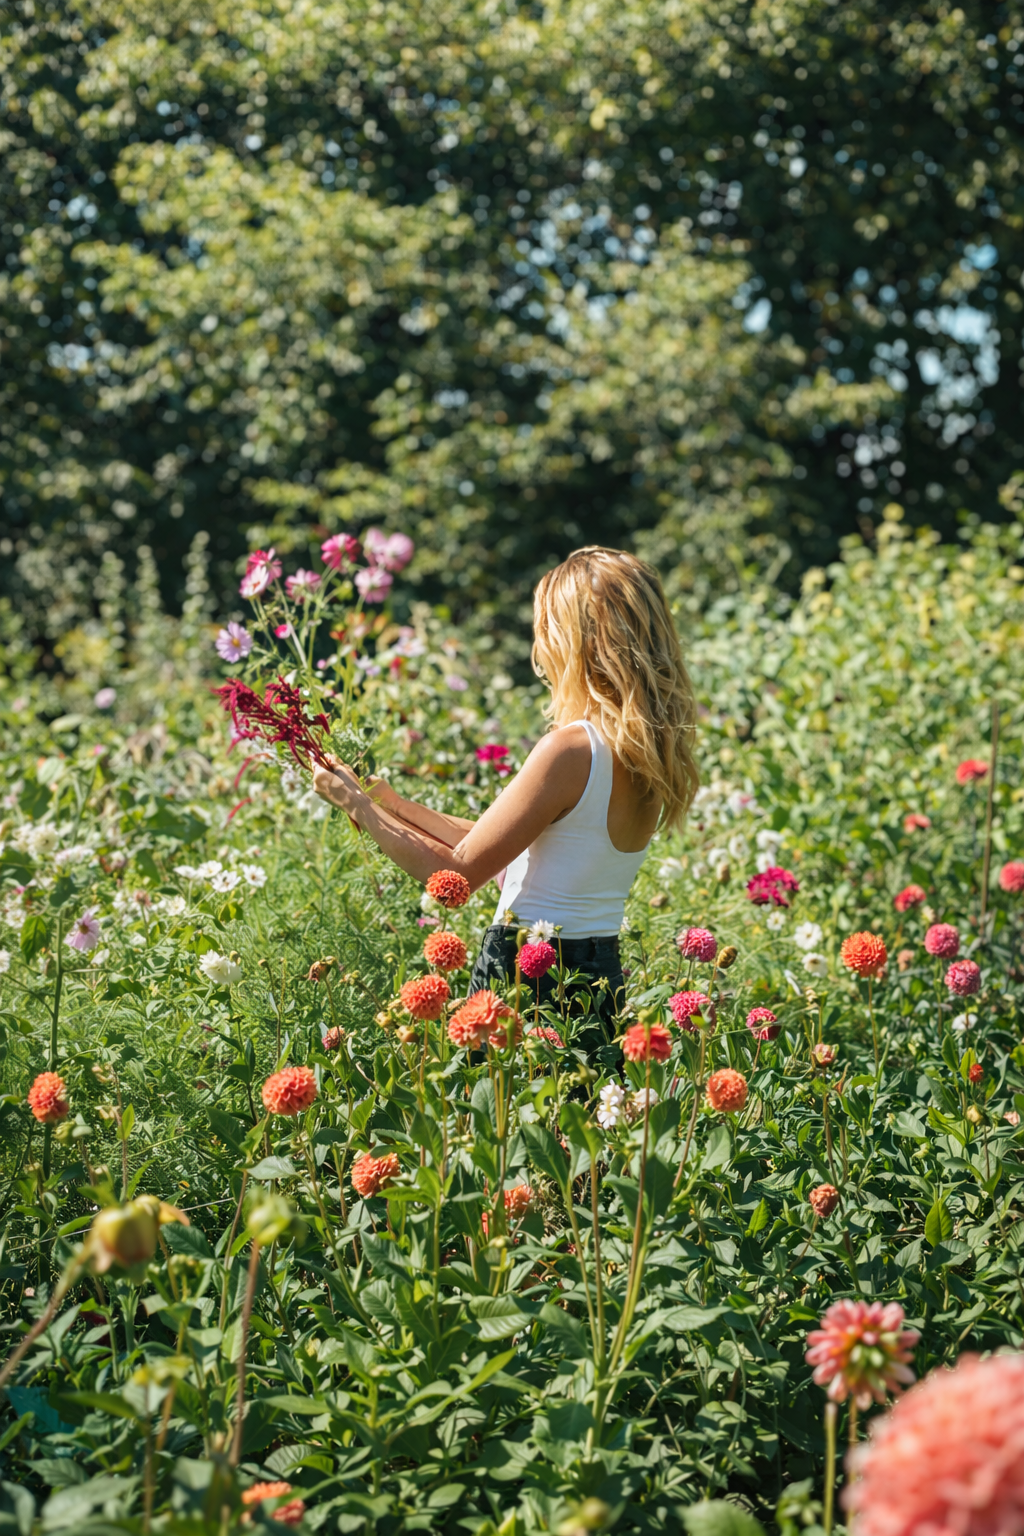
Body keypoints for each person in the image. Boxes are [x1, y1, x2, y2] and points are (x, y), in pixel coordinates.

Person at [311, 546, 699, 1038]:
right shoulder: (645, 753)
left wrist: (355, 803)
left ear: (573, 641)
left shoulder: (571, 749)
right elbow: (518, 848)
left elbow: (452, 878)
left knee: (505, 1112)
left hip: (529, 973)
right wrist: (396, 806)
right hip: (601, 973)